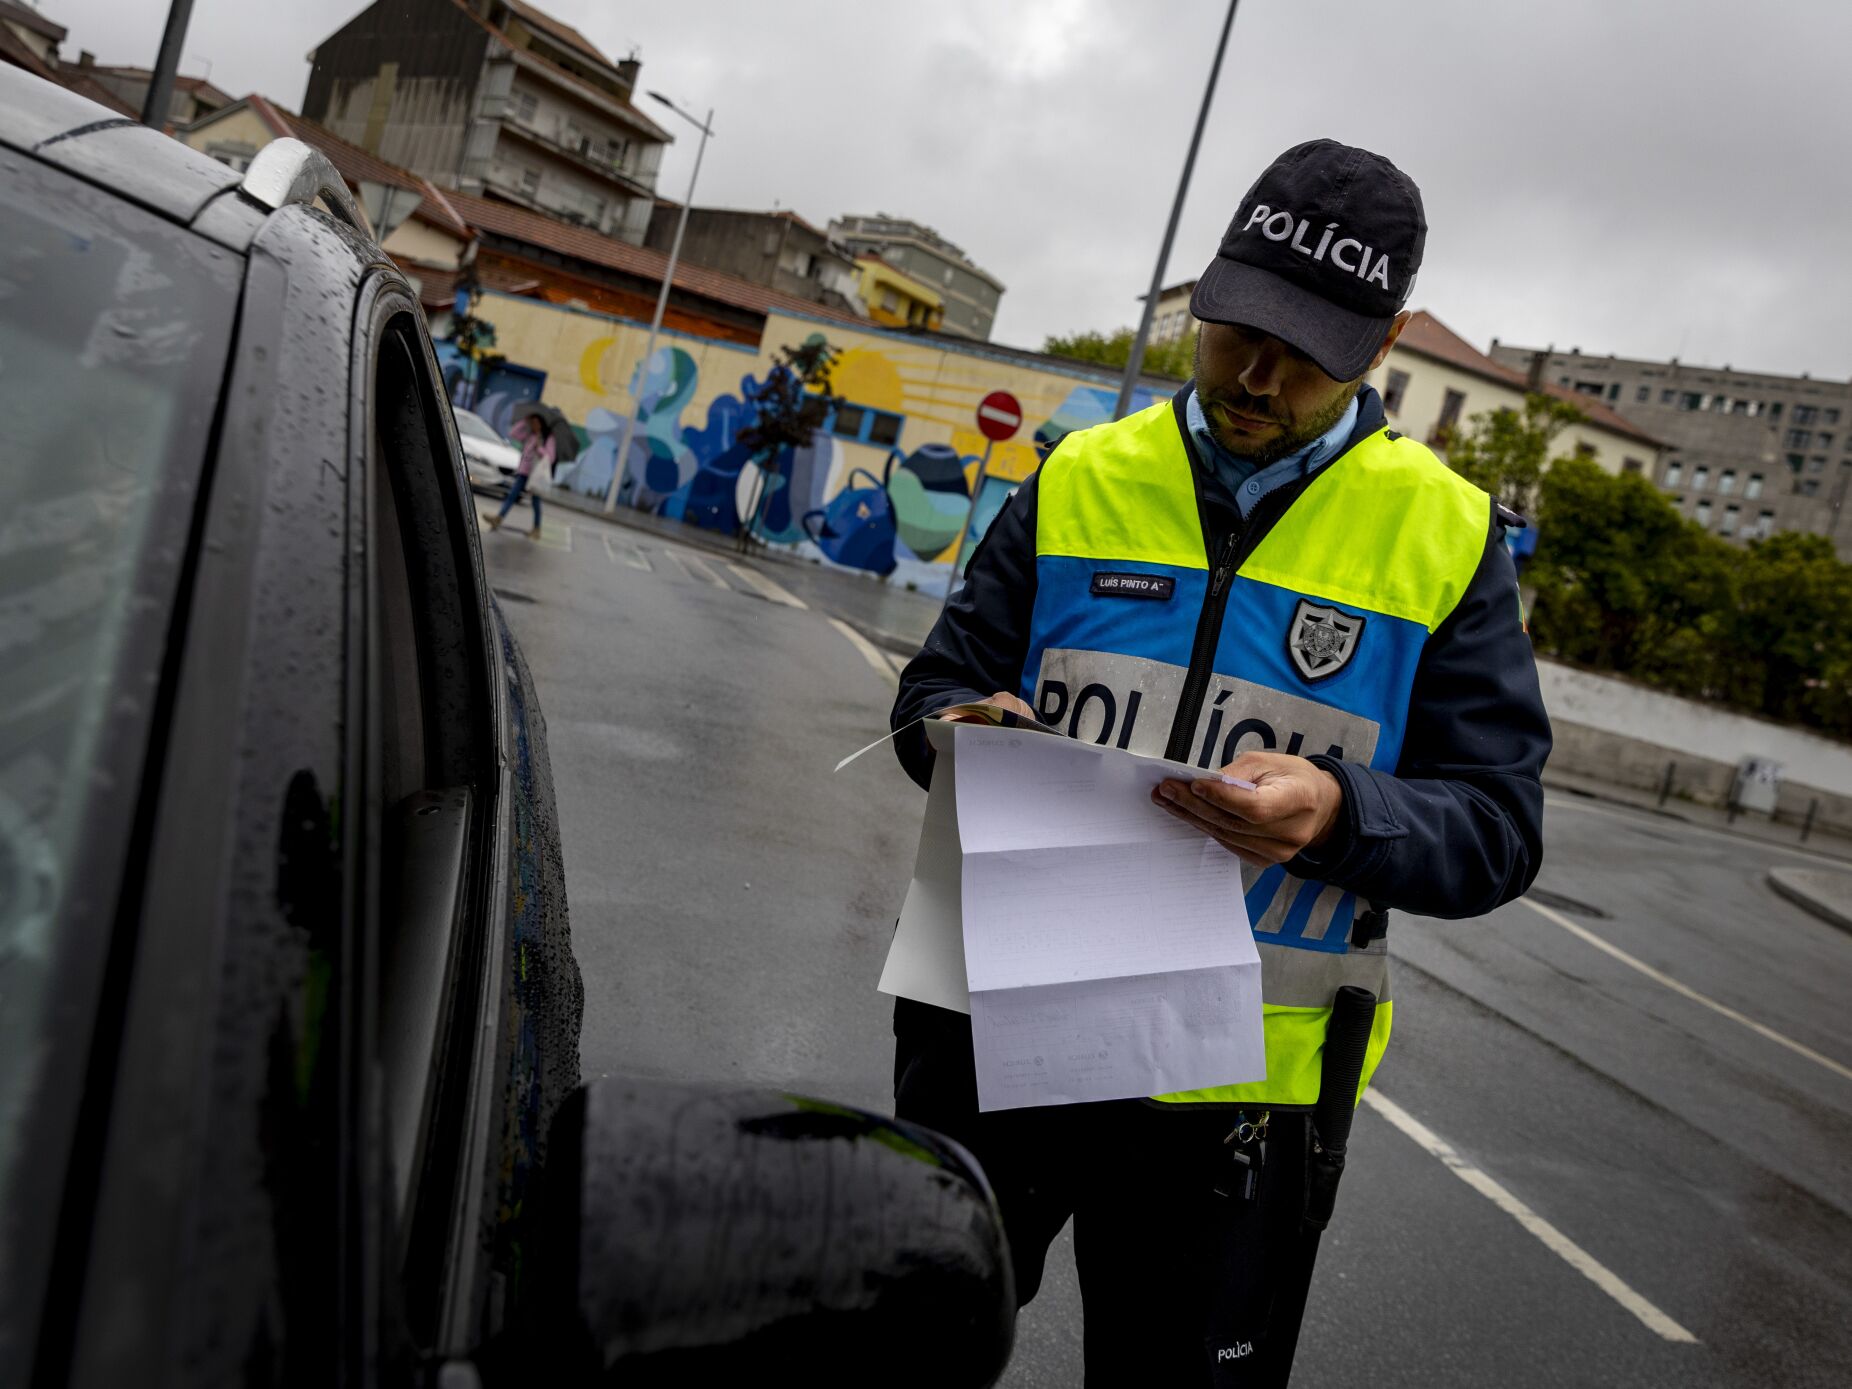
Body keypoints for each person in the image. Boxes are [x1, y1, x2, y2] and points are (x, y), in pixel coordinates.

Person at [888, 139, 1551, 1384]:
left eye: (1306, 351)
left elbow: (1500, 829)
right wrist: (955, 733)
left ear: (1387, 338)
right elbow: (928, 690)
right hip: (999, 1029)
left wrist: (1340, 813)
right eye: (1235, 325)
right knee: (903, 1348)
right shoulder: (1080, 474)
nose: (1256, 373)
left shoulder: (1448, 538)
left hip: (1236, 1100)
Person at [489, 409, 551, 537]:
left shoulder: (547, 439)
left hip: (535, 476)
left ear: (541, 424)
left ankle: (537, 529)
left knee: (535, 502)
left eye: (536, 423)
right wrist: (524, 421)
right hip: (523, 472)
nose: (534, 425)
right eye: (532, 422)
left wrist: (539, 447)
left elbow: (550, 456)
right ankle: (498, 518)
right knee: (512, 495)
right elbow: (513, 433)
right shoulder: (530, 436)